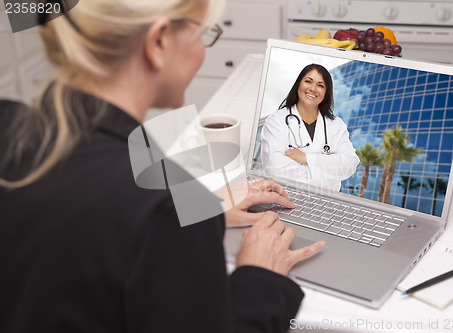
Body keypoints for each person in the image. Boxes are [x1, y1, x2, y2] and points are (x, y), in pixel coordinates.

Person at [0, 1, 325, 332]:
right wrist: (260, 277)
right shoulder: (160, 214)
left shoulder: (8, 123)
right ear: (158, 42)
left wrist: (200, 206)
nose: (202, 51)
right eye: (202, 34)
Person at [261, 63, 359, 191]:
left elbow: (349, 164)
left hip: (327, 202)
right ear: (298, 86)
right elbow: (274, 169)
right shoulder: (276, 121)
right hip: (285, 198)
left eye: (320, 85)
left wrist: (307, 158)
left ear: (326, 93)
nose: (313, 88)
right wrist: (328, 174)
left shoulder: (336, 125)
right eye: (308, 81)